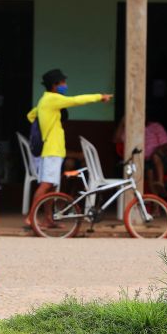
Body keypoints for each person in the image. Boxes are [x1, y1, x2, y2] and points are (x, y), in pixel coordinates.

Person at [25, 68, 112, 227]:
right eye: (63, 82)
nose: (65, 85)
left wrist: (44, 123)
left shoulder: (45, 101)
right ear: (54, 85)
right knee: (46, 185)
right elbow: (76, 100)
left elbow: (31, 115)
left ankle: (48, 219)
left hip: (53, 150)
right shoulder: (52, 99)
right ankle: (31, 217)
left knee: (50, 187)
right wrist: (100, 97)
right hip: (51, 150)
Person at [114, 113, 167, 196]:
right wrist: (122, 122)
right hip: (146, 162)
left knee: (155, 156)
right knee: (149, 172)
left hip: (162, 159)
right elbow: (116, 140)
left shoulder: (155, 126)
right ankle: (157, 205)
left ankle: (160, 182)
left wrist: (158, 149)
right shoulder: (131, 131)